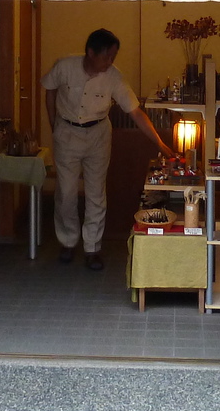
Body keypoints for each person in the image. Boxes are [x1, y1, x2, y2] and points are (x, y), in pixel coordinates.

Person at [42, 29, 175, 270]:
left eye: (114, 56)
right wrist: (53, 123)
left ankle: (92, 247)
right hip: (67, 132)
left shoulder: (114, 77)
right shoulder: (65, 66)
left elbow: (135, 111)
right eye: (107, 56)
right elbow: (49, 89)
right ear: (91, 52)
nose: (110, 62)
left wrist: (159, 143)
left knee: (96, 192)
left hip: (98, 135)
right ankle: (68, 242)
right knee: (67, 192)